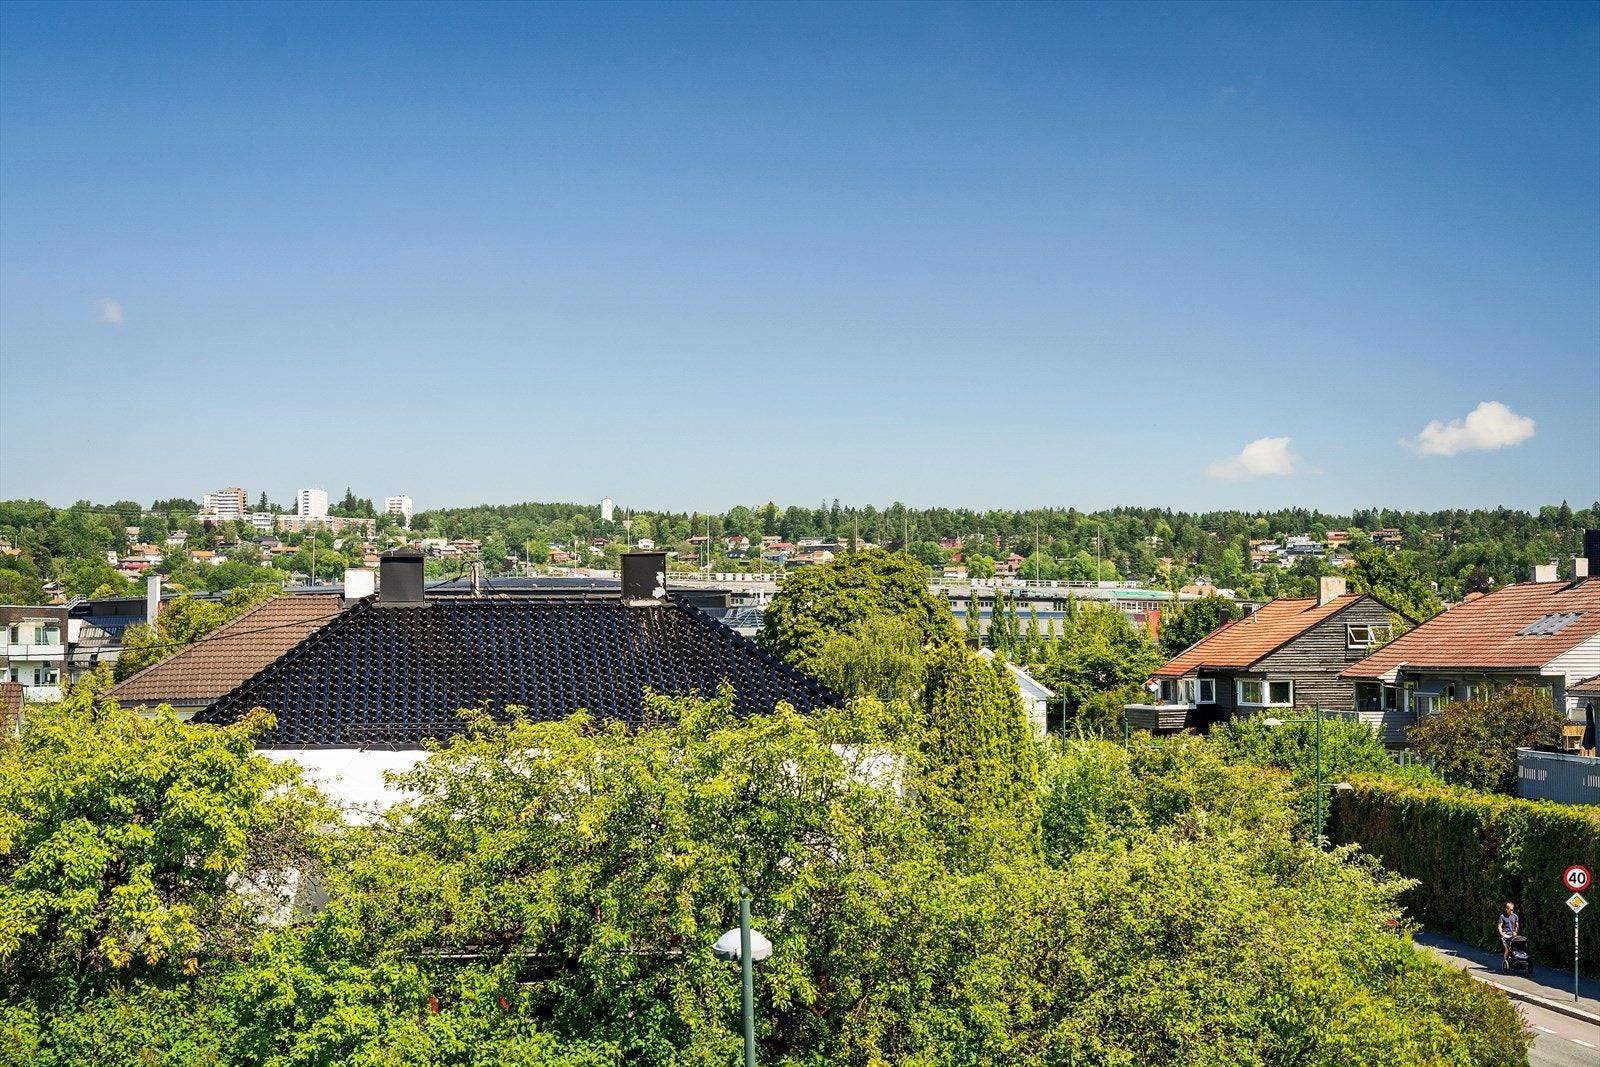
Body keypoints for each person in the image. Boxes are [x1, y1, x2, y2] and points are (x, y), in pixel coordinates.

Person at [1499, 902, 1520, 968]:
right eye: (1510, 909)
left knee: (1515, 949)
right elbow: (1499, 925)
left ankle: (1515, 961)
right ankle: (1505, 962)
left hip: (1512, 935)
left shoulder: (1515, 916)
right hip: (1506, 935)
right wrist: (1501, 933)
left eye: (1512, 910)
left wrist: (1515, 931)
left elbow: (1517, 925)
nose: (1511, 911)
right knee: (1507, 949)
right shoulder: (1502, 916)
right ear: (1507, 909)